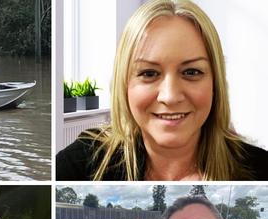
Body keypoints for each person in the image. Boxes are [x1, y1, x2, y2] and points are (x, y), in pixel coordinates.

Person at [56, 0, 268, 181]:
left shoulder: (260, 170)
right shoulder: (78, 166)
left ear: (215, 83)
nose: (170, 96)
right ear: (124, 84)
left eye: (192, 72)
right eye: (149, 73)